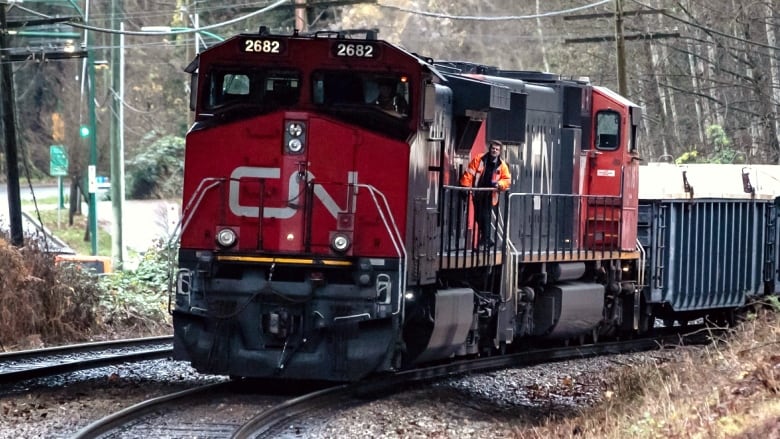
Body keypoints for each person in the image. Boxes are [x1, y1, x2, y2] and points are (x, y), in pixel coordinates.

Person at [460, 140, 511, 248]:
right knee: (478, 216)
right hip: (478, 192)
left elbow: (506, 180)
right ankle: (486, 239)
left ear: (500, 151)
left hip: (490, 195)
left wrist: (499, 184)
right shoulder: (479, 159)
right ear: (490, 148)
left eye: (497, 149)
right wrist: (465, 186)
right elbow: (469, 172)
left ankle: (486, 239)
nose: (494, 150)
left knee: (485, 215)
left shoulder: (502, 165)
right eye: (493, 148)